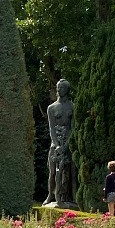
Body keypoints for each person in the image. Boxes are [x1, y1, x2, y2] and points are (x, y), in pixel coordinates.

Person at [43, 79, 76, 208]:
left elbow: (73, 128)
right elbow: (51, 128)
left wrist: (66, 145)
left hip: (67, 142)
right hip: (55, 143)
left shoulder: (72, 106)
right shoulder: (51, 108)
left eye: (61, 87)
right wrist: (56, 145)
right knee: (52, 172)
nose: (59, 89)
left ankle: (67, 197)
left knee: (68, 172)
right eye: (58, 87)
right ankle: (50, 195)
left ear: (67, 90)